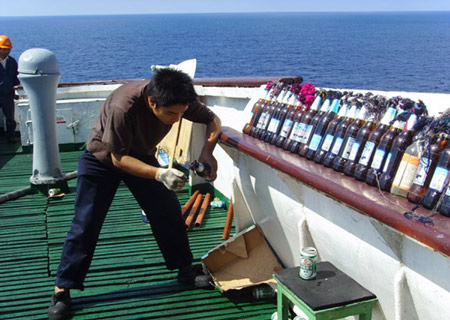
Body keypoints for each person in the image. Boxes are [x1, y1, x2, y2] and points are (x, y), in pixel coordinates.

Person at [48, 68, 222, 320]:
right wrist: (159, 174)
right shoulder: (123, 107)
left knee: (167, 210)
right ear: (152, 102)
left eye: (181, 113)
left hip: (141, 154)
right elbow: (118, 159)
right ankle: (62, 289)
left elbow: (212, 119)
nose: (177, 118)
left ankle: (185, 269)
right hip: (102, 158)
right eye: (171, 113)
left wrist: (208, 151)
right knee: (86, 222)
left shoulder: (176, 98)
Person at [0, 35, 20, 143]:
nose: (7, 51)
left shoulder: (12, 62)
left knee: (10, 118)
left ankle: (10, 136)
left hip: (8, 94)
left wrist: (15, 91)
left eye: (8, 49)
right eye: (5, 49)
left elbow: (15, 77)